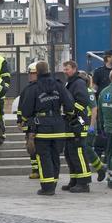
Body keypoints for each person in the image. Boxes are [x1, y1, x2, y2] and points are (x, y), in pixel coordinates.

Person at [19, 60, 74, 196]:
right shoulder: (59, 85)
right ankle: (53, 183)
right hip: (58, 126)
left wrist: (26, 122)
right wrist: (66, 116)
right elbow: (69, 105)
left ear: (37, 72)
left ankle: (47, 187)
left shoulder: (33, 88)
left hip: (42, 127)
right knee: (55, 156)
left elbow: (25, 111)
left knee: (44, 157)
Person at [61, 60, 95, 192]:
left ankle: (84, 183)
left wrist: (71, 111)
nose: (65, 71)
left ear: (74, 69)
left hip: (78, 122)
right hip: (71, 123)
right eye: (64, 69)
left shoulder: (78, 83)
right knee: (70, 153)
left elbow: (82, 101)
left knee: (78, 152)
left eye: (67, 69)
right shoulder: (70, 83)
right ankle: (74, 180)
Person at [91, 49, 112, 161]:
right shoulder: (99, 72)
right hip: (102, 106)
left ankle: (108, 156)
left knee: (111, 132)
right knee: (101, 131)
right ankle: (97, 155)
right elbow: (94, 88)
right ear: (108, 58)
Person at [17, 62, 40, 180]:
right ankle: (35, 170)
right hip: (31, 124)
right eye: (30, 74)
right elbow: (21, 106)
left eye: (33, 73)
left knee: (36, 148)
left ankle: (38, 170)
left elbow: (25, 107)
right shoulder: (27, 89)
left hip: (36, 123)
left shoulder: (35, 88)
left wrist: (22, 119)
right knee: (31, 148)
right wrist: (20, 119)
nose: (30, 76)